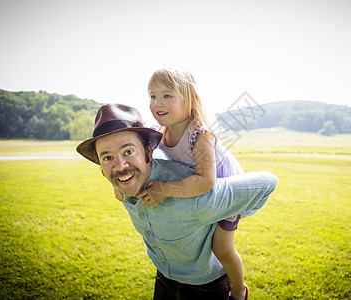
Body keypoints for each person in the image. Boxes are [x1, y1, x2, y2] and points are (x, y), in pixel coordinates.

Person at [76, 103, 278, 300]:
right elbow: (121, 171)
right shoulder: (126, 184)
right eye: (108, 158)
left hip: (206, 289)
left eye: (128, 152)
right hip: (164, 279)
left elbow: (267, 182)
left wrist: (231, 212)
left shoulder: (192, 196)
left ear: (148, 150)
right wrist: (118, 183)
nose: (120, 166)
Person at [132, 68, 247, 300]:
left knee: (221, 249)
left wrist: (165, 190)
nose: (157, 102)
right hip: (196, 191)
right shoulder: (160, 133)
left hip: (225, 192)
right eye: (153, 96)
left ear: (191, 100)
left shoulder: (200, 136)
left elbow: (206, 181)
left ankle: (238, 291)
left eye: (167, 95)